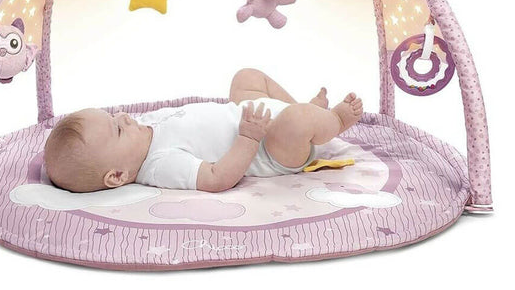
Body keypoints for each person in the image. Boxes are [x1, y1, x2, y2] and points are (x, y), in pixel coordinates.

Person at [44, 68, 363, 193]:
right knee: (295, 122)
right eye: (117, 129)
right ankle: (333, 121)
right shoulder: (159, 165)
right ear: (117, 176)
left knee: (247, 78)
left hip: (248, 113)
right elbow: (215, 178)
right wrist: (249, 138)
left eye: (113, 115)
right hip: (270, 149)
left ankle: (304, 111)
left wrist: (249, 118)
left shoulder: (143, 129)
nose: (124, 117)